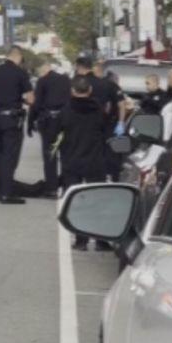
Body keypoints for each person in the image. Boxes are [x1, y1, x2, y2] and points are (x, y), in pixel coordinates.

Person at [56, 75, 108, 250]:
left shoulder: (66, 110)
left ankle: (81, 240)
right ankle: (101, 240)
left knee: (76, 200)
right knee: (97, 199)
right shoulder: (99, 110)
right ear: (90, 90)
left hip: (72, 160)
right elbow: (105, 131)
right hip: (95, 159)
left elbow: (56, 132)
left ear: (72, 91)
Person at [0, 45, 34, 204]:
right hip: (11, 121)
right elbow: (31, 99)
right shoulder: (20, 73)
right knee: (9, 157)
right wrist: (20, 99)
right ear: (19, 57)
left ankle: (0, 189)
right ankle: (6, 194)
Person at [29, 61, 70, 197]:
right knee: (65, 154)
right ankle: (67, 185)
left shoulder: (42, 81)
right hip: (64, 121)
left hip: (48, 122)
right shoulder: (66, 80)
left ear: (43, 71)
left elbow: (36, 103)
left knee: (50, 155)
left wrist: (30, 122)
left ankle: (51, 188)